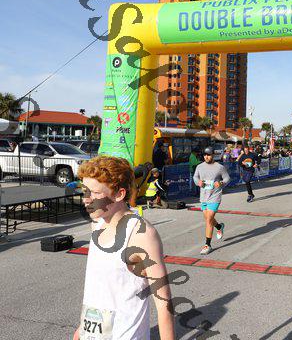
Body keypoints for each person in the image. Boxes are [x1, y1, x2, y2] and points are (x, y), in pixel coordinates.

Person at [75, 156, 175, 340]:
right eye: (85, 191)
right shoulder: (97, 224)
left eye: (95, 193)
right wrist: (81, 329)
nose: (86, 200)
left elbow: (164, 302)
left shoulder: (141, 234)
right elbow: (100, 288)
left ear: (119, 194)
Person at [193, 146, 230, 255]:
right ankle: (219, 226)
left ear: (213, 155)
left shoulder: (219, 167)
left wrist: (221, 182)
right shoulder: (199, 166)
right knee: (208, 218)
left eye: (208, 155)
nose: (206, 157)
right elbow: (195, 177)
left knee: (209, 219)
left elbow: (227, 178)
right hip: (204, 196)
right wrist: (198, 182)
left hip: (215, 196)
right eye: (205, 155)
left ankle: (207, 245)